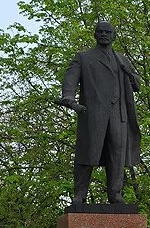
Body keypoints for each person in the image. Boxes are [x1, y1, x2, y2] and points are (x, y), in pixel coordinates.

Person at [59, 20, 141, 205]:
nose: (104, 34)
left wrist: (129, 72)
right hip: (93, 113)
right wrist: (68, 98)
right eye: (100, 31)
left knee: (117, 156)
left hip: (118, 115)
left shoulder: (121, 59)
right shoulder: (84, 57)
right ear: (95, 35)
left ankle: (115, 194)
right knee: (87, 154)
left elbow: (137, 86)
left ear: (114, 36)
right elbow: (70, 80)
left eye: (108, 32)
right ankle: (80, 194)